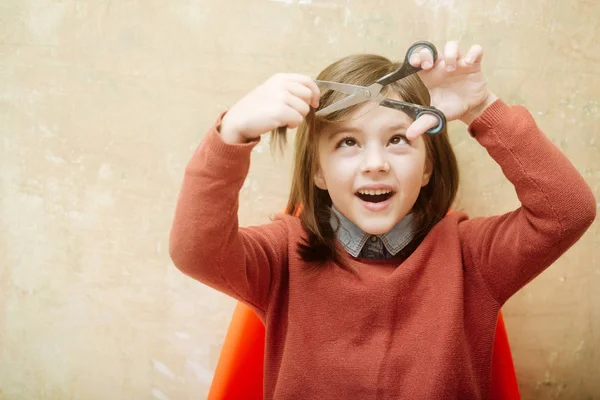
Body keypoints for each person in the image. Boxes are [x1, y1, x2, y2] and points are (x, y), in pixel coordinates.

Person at [169, 41, 596, 399]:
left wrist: (482, 107)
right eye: (348, 142)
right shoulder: (280, 256)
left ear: (428, 166)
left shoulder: (472, 258)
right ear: (317, 171)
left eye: (397, 139)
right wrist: (233, 135)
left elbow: (567, 212)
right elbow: (196, 252)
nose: (375, 164)